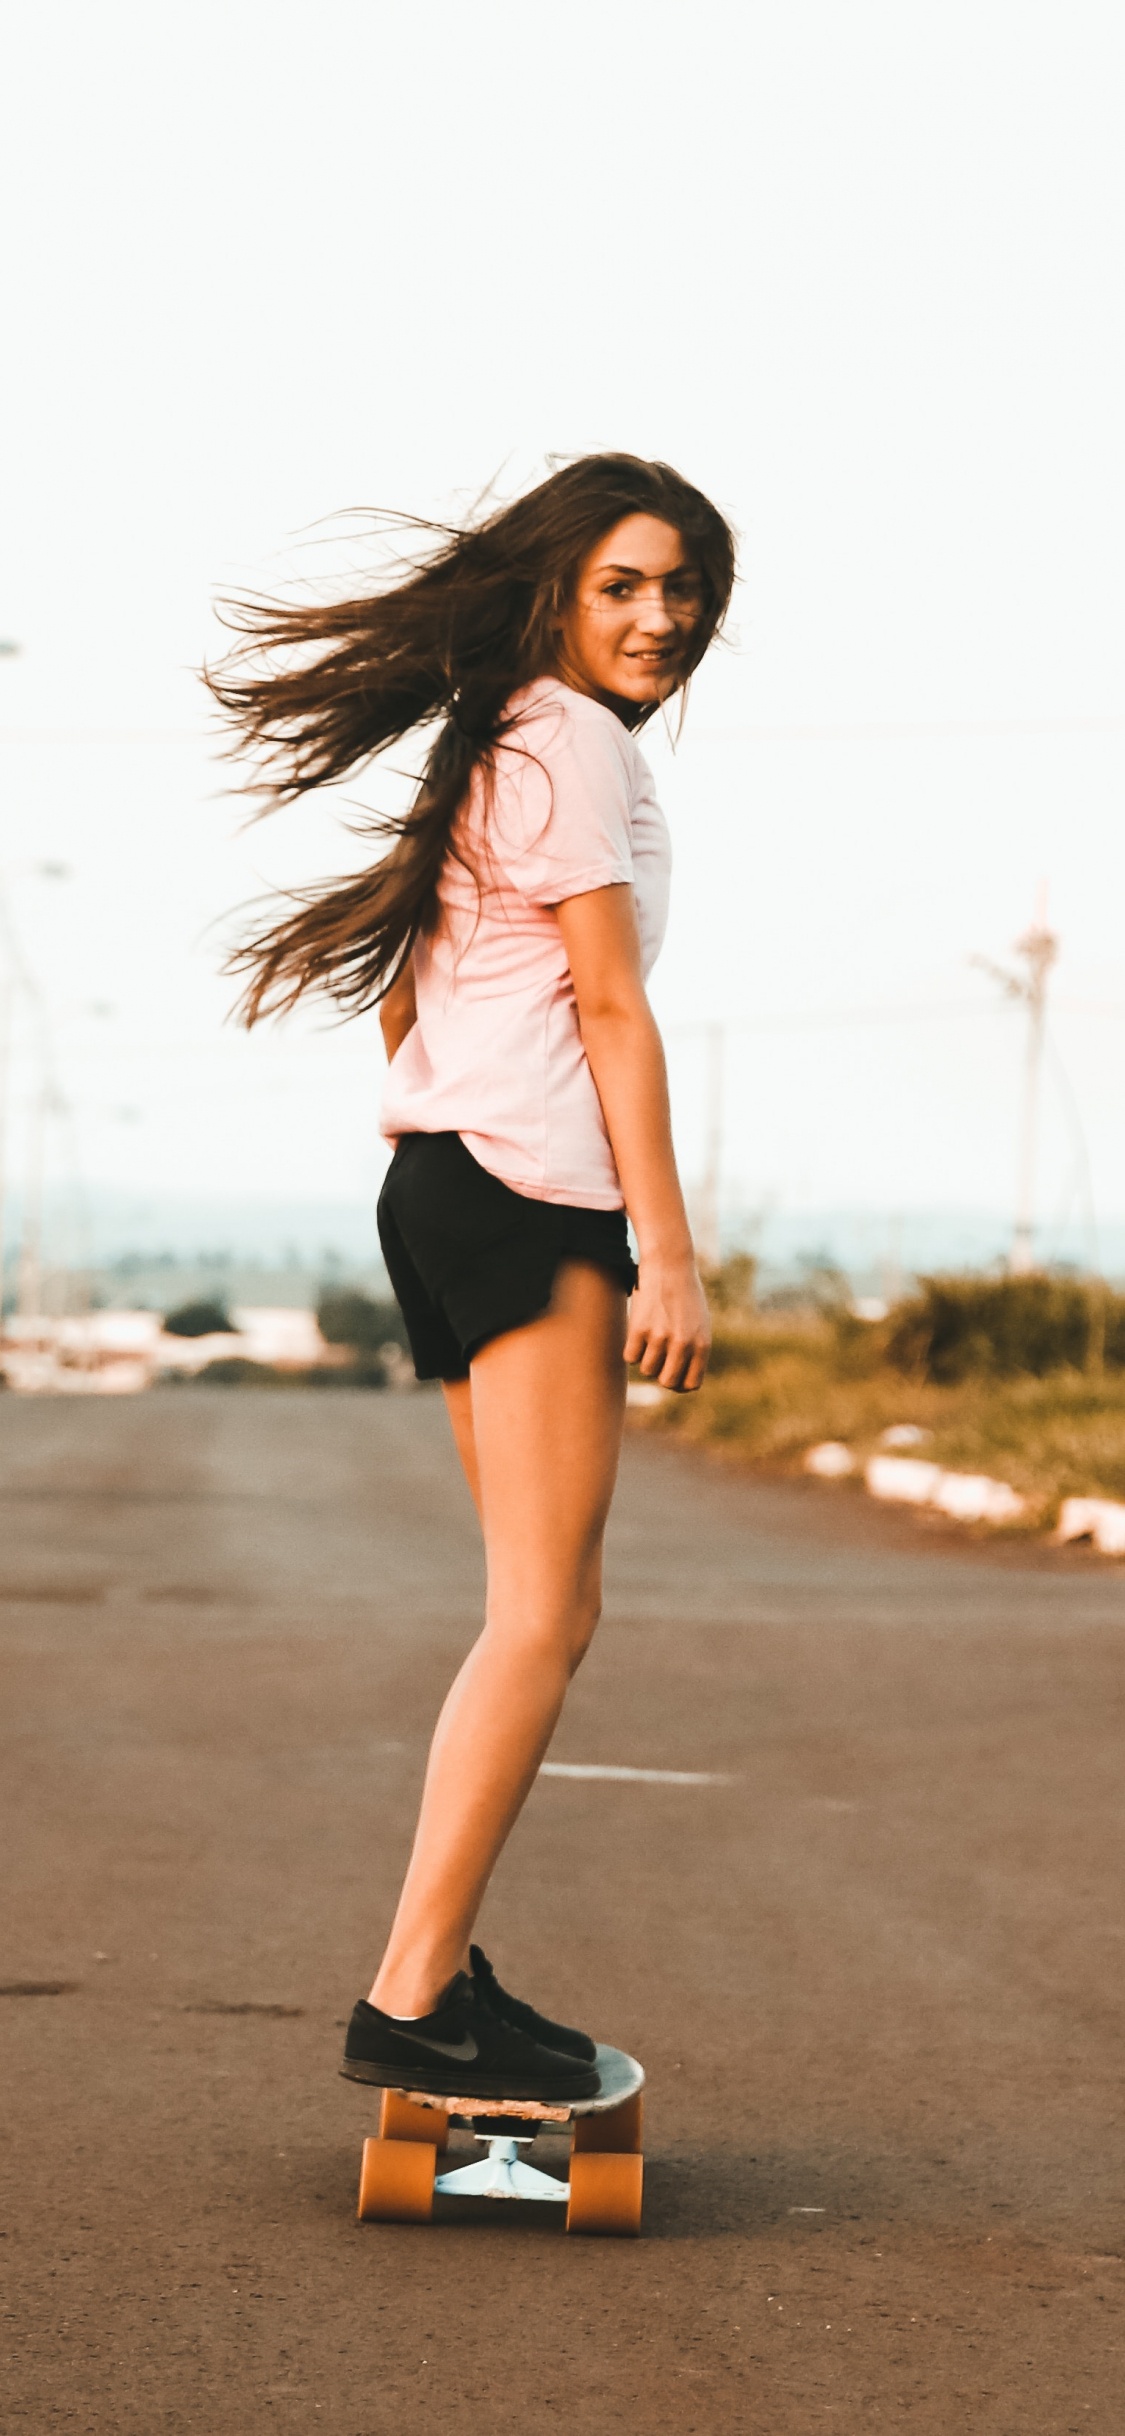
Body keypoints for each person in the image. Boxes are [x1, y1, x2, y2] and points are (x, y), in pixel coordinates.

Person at [210, 454, 736, 2101]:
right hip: (528, 1190)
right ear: (557, 592)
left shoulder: (499, 730)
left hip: (443, 1179)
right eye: (622, 584)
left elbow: (410, 987)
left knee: (532, 1606)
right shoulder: (567, 736)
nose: (660, 616)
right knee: (541, 1614)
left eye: (682, 586)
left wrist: (452, 1129)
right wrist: (666, 1253)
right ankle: (412, 1990)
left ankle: (432, 1970)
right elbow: (608, 1007)